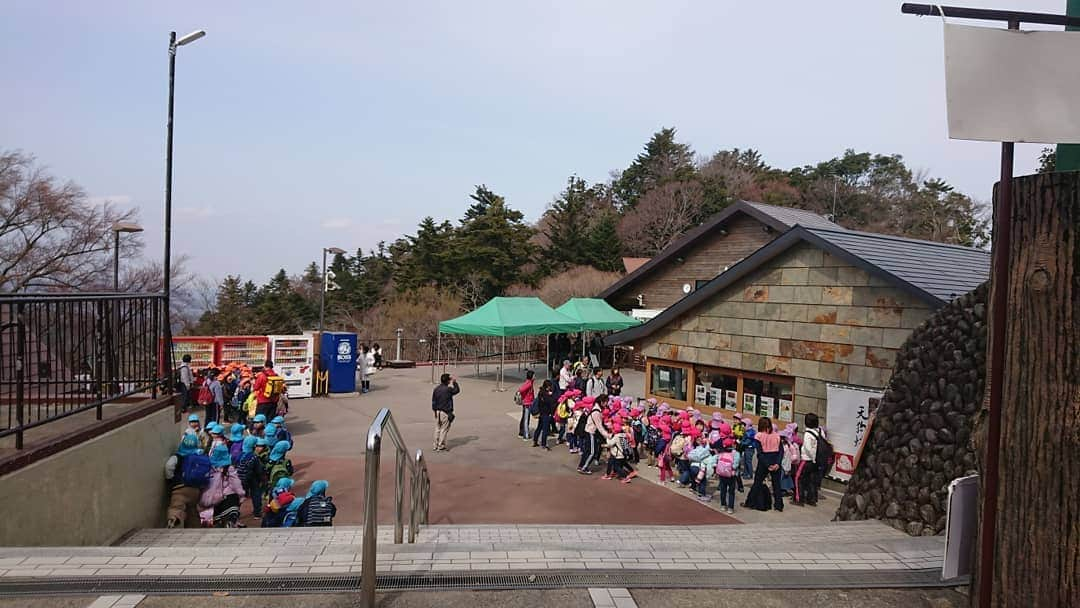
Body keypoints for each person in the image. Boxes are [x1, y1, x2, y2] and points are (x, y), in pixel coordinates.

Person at [164, 433, 205, 528]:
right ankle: (195, 528)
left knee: (177, 506)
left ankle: (173, 519)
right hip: (195, 489)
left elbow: (168, 467)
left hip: (179, 488)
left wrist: (170, 479)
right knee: (192, 511)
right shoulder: (198, 457)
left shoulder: (177, 457)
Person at [200, 444, 245, 528]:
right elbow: (236, 484)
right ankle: (230, 521)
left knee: (217, 515)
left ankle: (218, 522)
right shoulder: (228, 468)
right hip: (226, 497)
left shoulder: (209, 466)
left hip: (211, 497)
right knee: (232, 506)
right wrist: (241, 494)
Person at [745, 417, 784, 512]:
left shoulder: (758, 436)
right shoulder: (777, 436)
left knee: (757, 483)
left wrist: (767, 465)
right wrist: (777, 463)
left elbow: (759, 453)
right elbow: (781, 451)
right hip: (775, 459)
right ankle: (779, 505)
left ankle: (750, 502)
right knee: (777, 485)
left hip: (764, 461)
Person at [794, 413, 824, 507]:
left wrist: (812, 458)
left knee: (798, 478)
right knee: (811, 480)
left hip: (807, 460)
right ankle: (812, 499)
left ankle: (799, 498)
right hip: (817, 461)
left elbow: (807, 447)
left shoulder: (807, 434)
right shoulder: (820, 432)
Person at [577, 394, 610, 474]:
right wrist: (607, 435)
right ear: (602, 402)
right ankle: (584, 467)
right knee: (592, 452)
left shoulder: (596, 409)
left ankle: (581, 466)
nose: (606, 404)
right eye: (606, 402)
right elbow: (599, 427)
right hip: (591, 432)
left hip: (589, 431)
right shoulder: (597, 412)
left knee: (587, 451)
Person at [236, 435, 264, 518]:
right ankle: (257, 513)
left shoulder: (239, 455)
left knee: (239, 497)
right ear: (254, 446)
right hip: (252, 478)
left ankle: (235, 512)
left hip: (239, 478)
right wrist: (261, 479)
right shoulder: (254, 457)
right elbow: (258, 470)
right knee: (256, 494)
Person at [431, 373, 459, 452]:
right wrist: (455, 383)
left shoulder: (436, 389)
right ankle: (441, 445)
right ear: (447, 381)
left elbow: (433, 401)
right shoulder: (448, 390)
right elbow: (457, 390)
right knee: (444, 429)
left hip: (438, 411)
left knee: (437, 428)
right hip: (445, 412)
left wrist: (434, 412)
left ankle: (435, 445)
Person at [715, 437, 741, 514]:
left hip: (722, 474)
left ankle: (723, 505)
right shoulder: (736, 454)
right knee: (731, 491)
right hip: (731, 475)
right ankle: (730, 507)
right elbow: (735, 465)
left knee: (723, 490)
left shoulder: (721, 453)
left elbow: (717, 461)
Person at [532, 379, 557, 450]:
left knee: (539, 427)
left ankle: (535, 440)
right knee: (545, 429)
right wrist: (551, 396)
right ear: (548, 386)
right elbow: (550, 402)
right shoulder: (546, 394)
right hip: (546, 413)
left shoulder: (541, 393)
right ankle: (544, 444)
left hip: (541, 413)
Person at [517, 370, 535, 440]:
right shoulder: (529, 383)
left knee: (524, 418)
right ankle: (526, 435)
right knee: (526, 419)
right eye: (534, 375)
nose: (535, 376)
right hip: (527, 403)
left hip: (528, 402)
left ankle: (522, 432)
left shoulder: (530, 382)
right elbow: (521, 389)